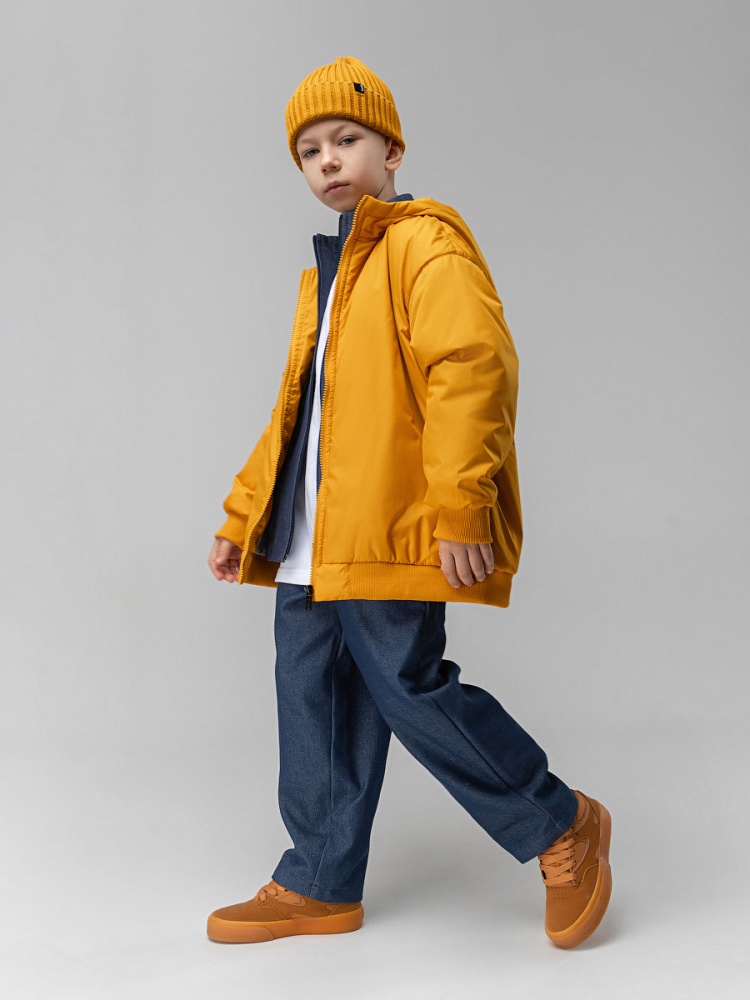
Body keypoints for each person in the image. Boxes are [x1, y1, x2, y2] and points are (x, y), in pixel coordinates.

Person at [205, 56, 612, 949]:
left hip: (388, 527)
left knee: (408, 687)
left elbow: (473, 370)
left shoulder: (426, 243)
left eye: (345, 139)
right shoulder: (329, 273)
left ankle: (561, 823)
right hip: (312, 539)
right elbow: (296, 415)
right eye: (309, 150)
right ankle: (318, 881)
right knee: (312, 700)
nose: (327, 160)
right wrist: (246, 517)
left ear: (391, 150)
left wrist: (462, 506)